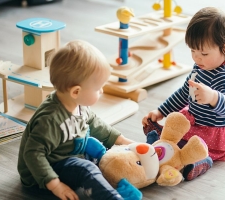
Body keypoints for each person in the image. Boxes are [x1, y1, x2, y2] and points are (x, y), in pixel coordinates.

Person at [17, 40, 138, 200]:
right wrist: (55, 185)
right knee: (87, 169)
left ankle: (121, 179)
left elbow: (95, 123)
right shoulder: (50, 120)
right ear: (76, 91)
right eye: (97, 88)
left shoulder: (78, 103)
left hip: (70, 156)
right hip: (42, 175)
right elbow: (33, 154)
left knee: (103, 156)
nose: (101, 91)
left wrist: (123, 141)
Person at [142, 7, 225, 181]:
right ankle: (160, 139)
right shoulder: (201, 66)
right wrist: (161, 112)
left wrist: (213, 97)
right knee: (176, 127)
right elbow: (185, 93)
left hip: (214, 131)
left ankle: (200, 162)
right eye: (193, 51)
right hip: (196, 120)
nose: (197, 58)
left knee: (197, 148)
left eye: (204, 53)